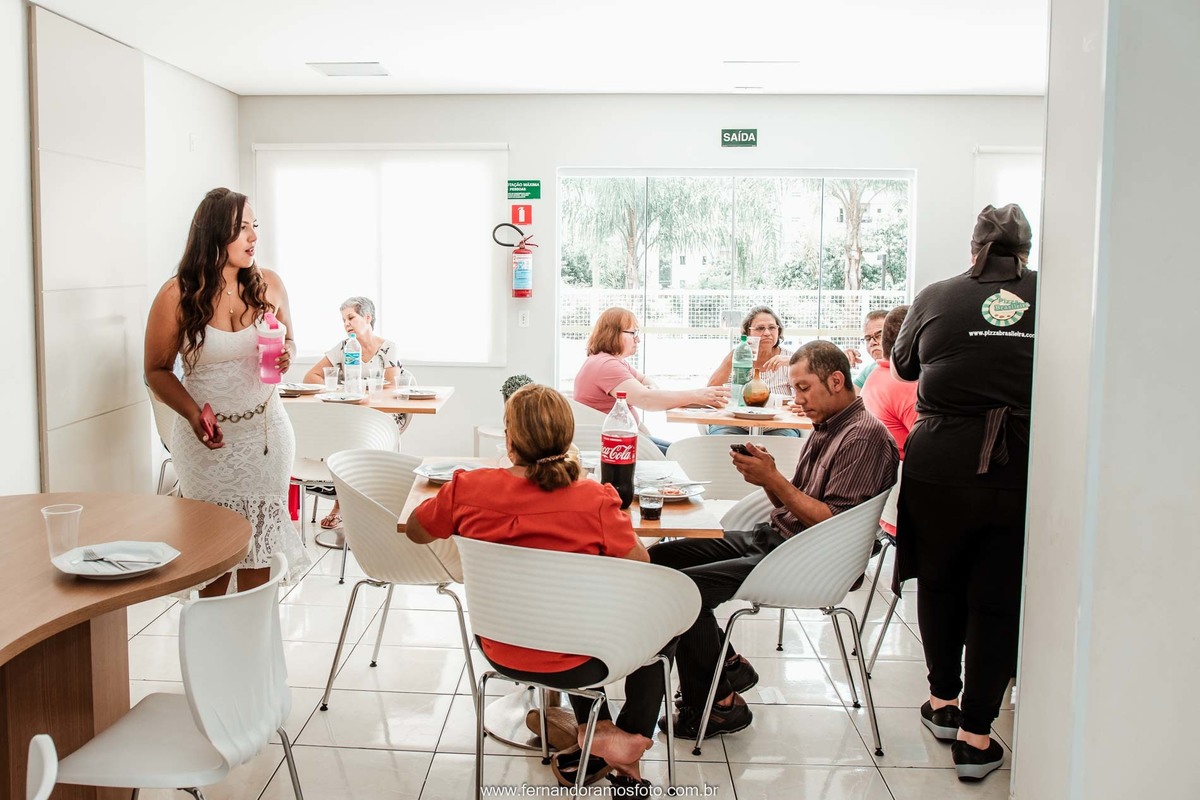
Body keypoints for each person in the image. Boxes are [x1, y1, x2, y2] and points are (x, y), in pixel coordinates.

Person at [405, 384, 672, 791]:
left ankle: (597, 731)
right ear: (567, 439)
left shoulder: (466, 488)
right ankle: (625, 739)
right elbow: (642, 568)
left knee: (574, 621)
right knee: (666, 617)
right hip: (581, 657)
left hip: (500, 648)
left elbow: (416, 532)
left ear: (510, 440)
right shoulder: (594, 499)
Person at [650, 341, 898, 739]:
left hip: (809, 559)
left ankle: (718, 706)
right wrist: (766, 477)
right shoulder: (828, 426)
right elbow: (796, 502)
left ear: (836, 381)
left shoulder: (862, 437)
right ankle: (728, 666)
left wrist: (774, 479)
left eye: (803, 388)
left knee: (685, 589)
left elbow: (831, 523)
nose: (797, 399)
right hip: (779, 541)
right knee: (661, 560)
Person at [890, 203, 1036, 782]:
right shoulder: (1052, 296)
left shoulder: (937, 296)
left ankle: (942, 704)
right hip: (1021, 462)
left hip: (940, 461)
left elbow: (903, 366)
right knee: (997, 597)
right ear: (1025, 251)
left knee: (940, 581)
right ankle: (977, 738)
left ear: (974, 248)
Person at [144, 187, 309, 596]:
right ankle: (212, 632)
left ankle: (256, 632)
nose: (254, 237)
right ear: (214, 232)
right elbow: (156, 370)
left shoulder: (269, 284)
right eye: (242, 228)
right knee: (212, 556)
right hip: (205, 443)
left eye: (256, 226)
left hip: (268, 435)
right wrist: (192, 413)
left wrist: (286, 354)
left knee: (261, 552)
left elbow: (290, 340)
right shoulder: (176, 294)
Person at [303, 296, 404, 530]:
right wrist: (339, 389)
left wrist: (362, 392)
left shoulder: (388, 347)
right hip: (352, 413)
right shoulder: (343, 347)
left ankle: (351, 506)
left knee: (353, 437)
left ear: (367, 318)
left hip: (384, 416)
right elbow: (311, 376)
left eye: (351, 317)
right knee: (343, 435)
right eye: (343, 320)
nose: (346, 324)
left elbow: (392, 387)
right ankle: (343, 503)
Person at [573, 307, 729, 452]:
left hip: (623, 440)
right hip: (615, 446)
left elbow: (645, 382)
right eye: (633, 333)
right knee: (683, 454)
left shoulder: (611, 361)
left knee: (680, 451)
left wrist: (651, 391)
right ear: (613, 333)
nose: (638, 340)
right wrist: (697, 395)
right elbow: (647, 401)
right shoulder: (607, 365)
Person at [704, 305, 799, 437]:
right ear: (747, 333)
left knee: (784, 443)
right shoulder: (738, 356)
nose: (767, 333)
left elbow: (808, 395)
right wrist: (733, 358)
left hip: (778, 423)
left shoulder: (789, 359)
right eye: (760, 328)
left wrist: (794, 363)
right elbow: (711, 391)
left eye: (772, 327)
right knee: (722, 442)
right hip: (735, 422)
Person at [845, 310, 888, 390]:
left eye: (879, 335)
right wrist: (841, 365)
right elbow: (849, 396)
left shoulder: (909, 368)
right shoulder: (870, 370)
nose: (871, 342)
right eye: (868, 339)